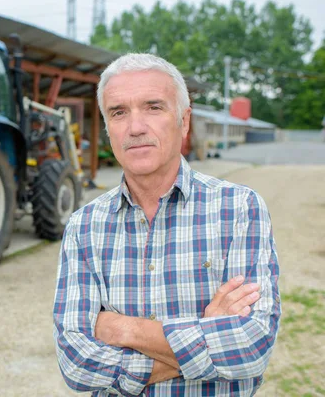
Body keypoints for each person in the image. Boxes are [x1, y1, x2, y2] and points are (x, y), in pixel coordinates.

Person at [52, 53, 281, 396]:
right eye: (118, 112)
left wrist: (123, 330)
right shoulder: (84, 226)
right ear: (107, 128)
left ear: (184, 121)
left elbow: (250, 347)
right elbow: (76, 363)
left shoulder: (238, 209)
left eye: (153, 107)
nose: (135, 127)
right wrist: (206, 331)